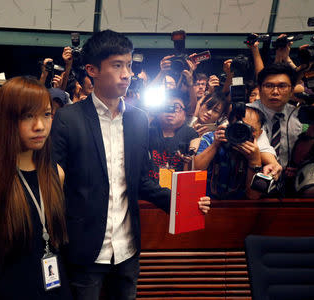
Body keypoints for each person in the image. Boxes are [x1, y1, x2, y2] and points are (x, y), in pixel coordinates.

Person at [51, 29, 210, 300]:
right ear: (92, 70)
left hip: (127, 249)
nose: (127, 73)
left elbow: (141, 180)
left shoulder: (138, 120)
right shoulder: (68, 118)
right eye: (117, 65)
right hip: (83, 247)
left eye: (128, 64)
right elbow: (53, 184)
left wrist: (182, 202)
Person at [0, 76, 72, 299]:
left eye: (46, 114)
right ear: (7, 119)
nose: (40, 126)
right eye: (28, 116)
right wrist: (10, 275)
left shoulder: (56, 172)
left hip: (55, 289)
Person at [194, 106, 275, 200]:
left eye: (249, 129)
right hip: (207, 203)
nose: (242, 133)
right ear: (230, 125)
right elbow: (195, 170)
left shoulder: (260, 153)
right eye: (239, 127)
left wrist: (254, 161)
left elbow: (254, 196)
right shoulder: (212, 139)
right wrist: (215, 145)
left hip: (238, 207)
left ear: (259, 133)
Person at [248, 63, 302, 170]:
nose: (275, 92)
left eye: (282, 86)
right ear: (259, 88)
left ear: (291, 91)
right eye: (269, 86)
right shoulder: (247, 111)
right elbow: (259, 140)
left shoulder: (299, 115)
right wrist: (274, 164)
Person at [148, 91, 198, 180]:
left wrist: (189, 156)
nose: (171, 111)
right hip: (150, 186)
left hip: (177, 187)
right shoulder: (151, 130)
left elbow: (194, 149)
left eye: (177, 107)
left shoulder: (190, 133)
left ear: (185, 113)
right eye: (167, 107)